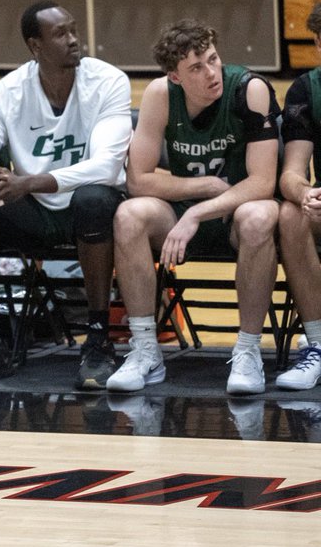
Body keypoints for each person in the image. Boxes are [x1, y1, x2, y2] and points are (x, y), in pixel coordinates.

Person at [0, 1, 132, 389]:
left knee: (94, 198)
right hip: (34, 217)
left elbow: (107, 168)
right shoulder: (8, 91)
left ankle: (97, 342)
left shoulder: (109, 81)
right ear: (35, 46)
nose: (74, 40)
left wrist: (27, 182)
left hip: (89, 212)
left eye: (74, 30)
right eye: (61, 34)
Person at [108, 20, 279, 396]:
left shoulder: (250, 90)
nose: (211, 73)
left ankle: (248, 351)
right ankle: (145, 350)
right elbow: (138, 179)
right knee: (129, 214)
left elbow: (263, 182)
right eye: (196, 68)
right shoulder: (159, 95)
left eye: (213, 59)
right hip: (181, 214)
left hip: (235, 213)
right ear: (175, 76)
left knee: (261, 215)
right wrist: (200, 187)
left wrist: (198, 211)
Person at [277, 1, 321, 391]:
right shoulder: (306, 90)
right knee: (291, 214)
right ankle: (320, 345)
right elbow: (291, 173)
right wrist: (307, 196)